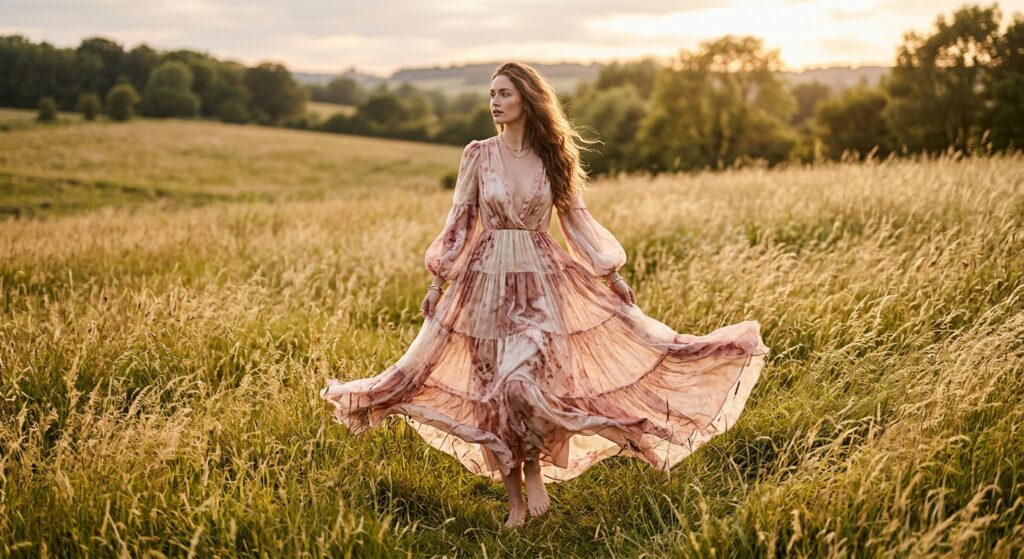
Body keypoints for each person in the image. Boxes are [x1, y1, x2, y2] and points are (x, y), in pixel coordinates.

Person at [320, 62, 769, 528]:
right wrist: (437, 283)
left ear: (527, 100)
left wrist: (611, 276)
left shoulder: (553, 157)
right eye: (491, 93)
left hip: (542, 281)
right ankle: (514, 498)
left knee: (529, 382)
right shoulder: (477, 154)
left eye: (504, 93)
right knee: (494, 391)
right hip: (484, 284)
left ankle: (534, 468)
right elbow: (459, 224)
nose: (494, 101)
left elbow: (577, 221)